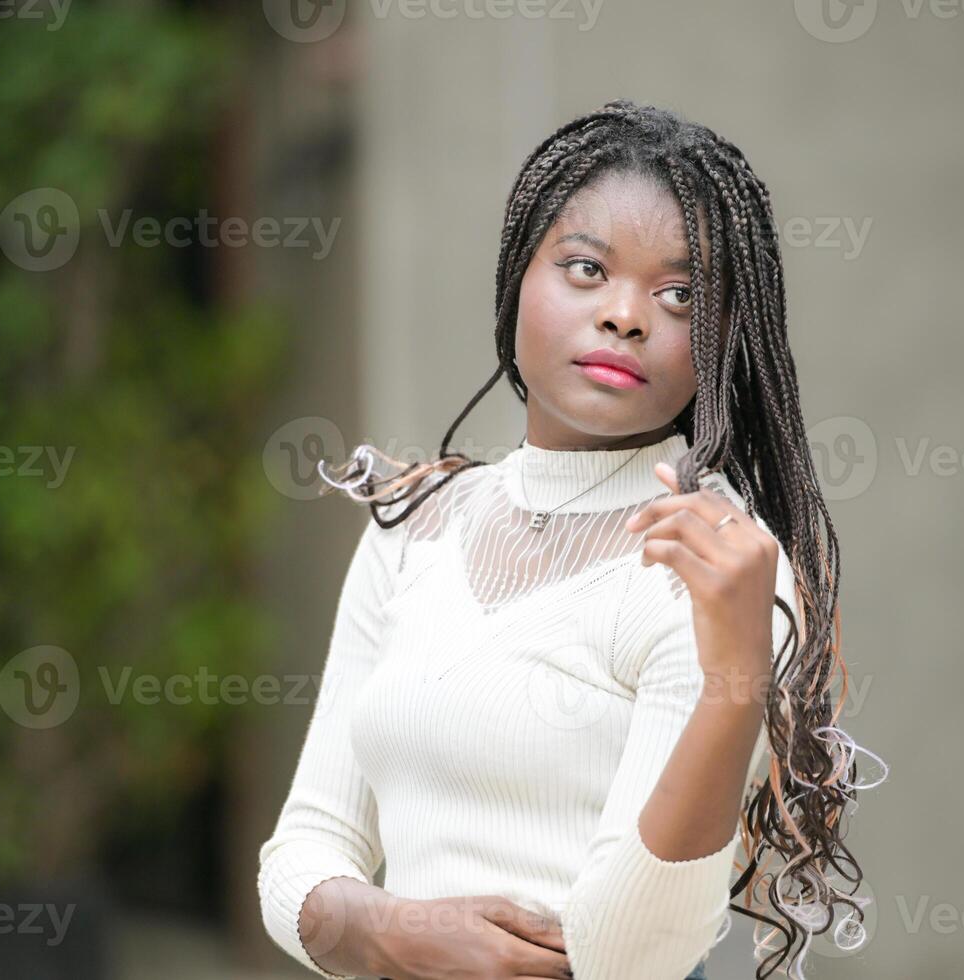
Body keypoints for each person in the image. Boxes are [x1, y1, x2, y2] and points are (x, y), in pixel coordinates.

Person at [257, 99, 879, 980]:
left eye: (680, 296)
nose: (626, 315)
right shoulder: (414, 524)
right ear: (519, 278)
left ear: (721, 343)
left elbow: (626, 957)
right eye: (585, 268)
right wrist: (396, 932)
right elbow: (302, 851)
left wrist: (735, 683)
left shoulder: (716, 569)